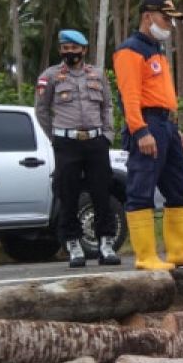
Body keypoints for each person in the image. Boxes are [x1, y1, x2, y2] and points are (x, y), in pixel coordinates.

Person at [113, 0, 183, 271]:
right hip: (146, 123)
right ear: (147, 17)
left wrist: (174, 128)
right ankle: (145, 257)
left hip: (166, 124)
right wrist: (140, 131)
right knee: (141, 189)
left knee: (179, 188)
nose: (170, 24)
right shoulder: (130, 50)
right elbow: (129, 97)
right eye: (166, 18)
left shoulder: (157, 51)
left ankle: (178, 251)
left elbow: (162, 95)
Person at [34, 29, 120, 268]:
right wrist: (55, 137)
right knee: (67, 194)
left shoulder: (97, 75)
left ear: (83, 50)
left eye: (74, 48)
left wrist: (107, 135)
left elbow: (108, 106)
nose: (69, 52)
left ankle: (106, 243)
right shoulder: (50, 76)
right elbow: (41, 110)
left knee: (102, 193)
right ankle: (72, 245)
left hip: (96, 142)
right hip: (66, 143)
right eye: (65, 48)